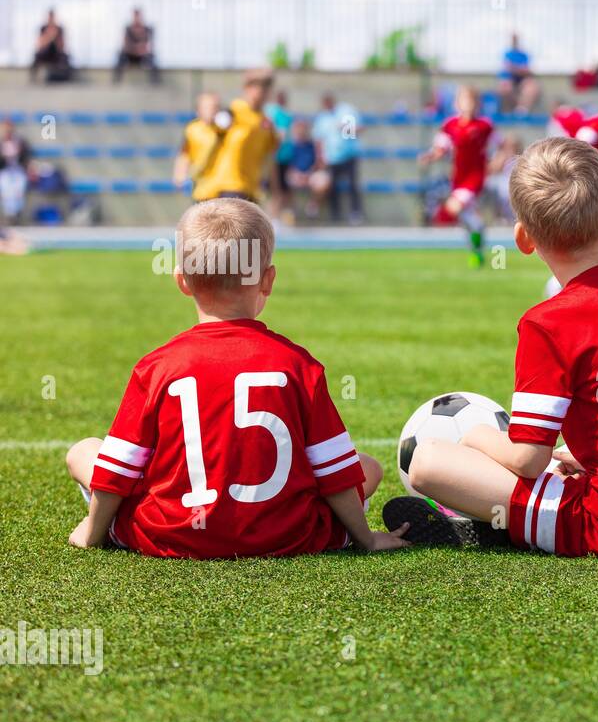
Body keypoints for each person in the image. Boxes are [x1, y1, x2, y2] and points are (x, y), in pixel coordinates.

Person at [382, 137, 598, 558]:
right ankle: (513, 519)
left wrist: (478, 436)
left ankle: (502, 522)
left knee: (428, 461)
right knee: (557, 463)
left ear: (524, 238)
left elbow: (527, 459)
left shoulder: (549, 322)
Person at [64, 199, 409, 558]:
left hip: (172, 533)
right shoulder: (298, 365)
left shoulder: (156, 366)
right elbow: (335, 471)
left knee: (83, 451)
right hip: (286, 534)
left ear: (181, 280)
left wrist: (93, 531)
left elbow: (116, 471)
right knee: (366, 466)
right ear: (268, 280)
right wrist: (365, 538)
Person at [418, 84, 498, 268]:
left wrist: (496, 161)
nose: (467, 104)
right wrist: (429, 156)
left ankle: (436, 221)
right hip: (458, 178)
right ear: (457, 103)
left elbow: (499, 145)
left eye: (470, 100)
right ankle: (477, 251)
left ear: (477, 104)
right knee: (471, 220)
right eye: (463, 100)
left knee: (451, 209)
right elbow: (441, 148)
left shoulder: (484, 125)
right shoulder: (450, 125)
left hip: (475, 177)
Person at [196, 69, 280, 203]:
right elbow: (212, 128)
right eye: (256, 86)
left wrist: (275, 190)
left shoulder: (265, 123)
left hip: (251, 189)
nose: (260, 92)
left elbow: (270, 157)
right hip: (229, 186)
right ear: (246, 88)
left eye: (265, 88)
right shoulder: (233, 112)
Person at [312, 92, 364, 224]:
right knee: (332, 187)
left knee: (353, 185)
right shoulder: (322, 118)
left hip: (349, 155)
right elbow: (318, 139)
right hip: (332, 158)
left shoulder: (347, 111)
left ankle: (355, 213)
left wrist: (347, 128)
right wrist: (320, 158)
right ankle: (335, 214)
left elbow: (359, 130)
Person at [264, 90, 296, 221]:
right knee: (277, 188)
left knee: (279, 188)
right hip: (277, 156)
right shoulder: (279, 113)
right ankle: (275, 216)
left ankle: (277, 216)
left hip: (281, 156)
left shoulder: (275, 112)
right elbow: (280, 135)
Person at [497, 33, 541, 114]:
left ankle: (522, 110)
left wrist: (516, 68)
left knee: (532, 87)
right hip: (509, 79)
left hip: (522, 80)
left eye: (515, 39)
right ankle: (509, 112)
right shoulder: (507, 54)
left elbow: (526, 70)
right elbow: (507, 68)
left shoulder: (523, 55)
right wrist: (518, 69)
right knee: (505, 87)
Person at [113, 8, 159, 84]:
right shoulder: (128, 29)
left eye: (138, 16)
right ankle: (116, 82)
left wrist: (140, 49)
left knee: (152, 58)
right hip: (131, 55)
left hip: (143, 56)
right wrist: (136, 48)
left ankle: (155, 83)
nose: (137, 18)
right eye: (135, 16)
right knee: (120, 55)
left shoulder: (147, 29)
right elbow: (125, 45)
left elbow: (150, 46)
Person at [0, 118, 33, 223]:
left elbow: (27, 156)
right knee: (7, 194)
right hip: (5, 171)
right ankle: (9, 217)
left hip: (18, 171)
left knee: (18, 194)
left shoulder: (20, 141)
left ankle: (17, 216)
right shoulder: (1, 142)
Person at [30, 9, 70, 83]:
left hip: (56, 52)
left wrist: (55, 36)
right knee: (36, 55)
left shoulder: (59, 28)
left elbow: (62, 46)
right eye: (49, 17)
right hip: (46, 52)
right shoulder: (43, 28)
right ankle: (33, 78)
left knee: (66, 57)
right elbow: (40, 44)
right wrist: (49, 36)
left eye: (52, 17)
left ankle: (65, 77)